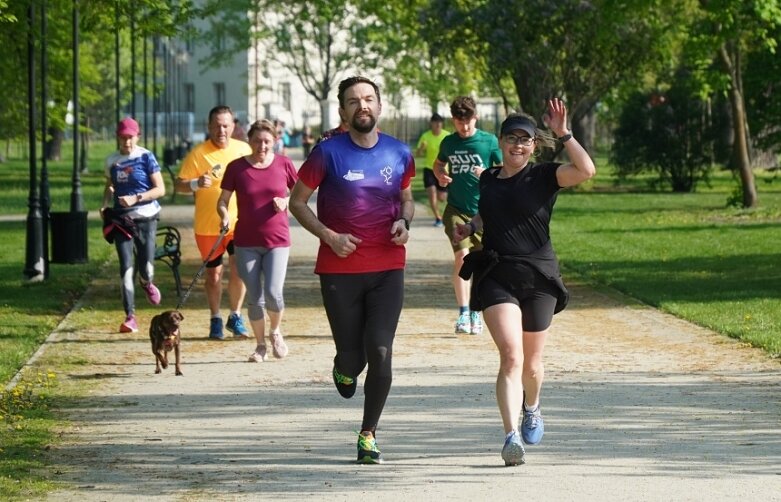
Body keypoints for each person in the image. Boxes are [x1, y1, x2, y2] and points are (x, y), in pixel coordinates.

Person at [453, 100, 596, 466]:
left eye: (525, 139)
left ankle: (532, 407)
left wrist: (564, 133)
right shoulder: (487, 178)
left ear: (534, 145)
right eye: (512, 138)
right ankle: (510, 435)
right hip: (498, 274)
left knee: (532, 365)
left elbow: (587, 170)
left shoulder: (544, 176)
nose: (518, 144)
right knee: (511, 357)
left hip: (539, 278)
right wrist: (472, 227)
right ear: (500, 142)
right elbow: (490, 211)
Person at [289, 76, 415, 465]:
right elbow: (297, 202)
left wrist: (405, 224)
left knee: (379, 349)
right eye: (353, 101)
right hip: (339, 269)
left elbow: (406, 199)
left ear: (379, 106)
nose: (362, 105)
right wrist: (329, 236)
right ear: (343, 111)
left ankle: (368, 434)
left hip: (387, 267)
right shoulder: (327, 154)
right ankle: (343, 369)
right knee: (352, 357)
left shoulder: (399, 152)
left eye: (368, 99)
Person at [218, 119, 298, 363]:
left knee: (273, 293)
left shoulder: (284, 164)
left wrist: (286, 202)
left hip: (277, 240)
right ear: (249, 141)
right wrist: (223, 217)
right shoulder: (236, 168)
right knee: (255, 296)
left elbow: (300, 195)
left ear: (274, 142)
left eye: (267, 141)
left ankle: (275, 331)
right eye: (257, 141)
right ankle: (260, 345)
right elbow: (222, 201)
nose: (262, 146)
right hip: (245, 241)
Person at [176, 106, 252, 340]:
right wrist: (195, 184)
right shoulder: (198, 154)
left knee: (239, 271)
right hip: (209, 227)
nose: (221, 130)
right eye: (217, 125)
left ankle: (236, 316)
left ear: (233, 127)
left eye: (226, 125)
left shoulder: (244, 150)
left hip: (239, 223)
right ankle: (215, 318)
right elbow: (178, 186)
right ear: (209, 127)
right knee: (214, 276)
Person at [433, 96, 502, 336]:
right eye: (459, 123)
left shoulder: (489, 141)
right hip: (456, 209)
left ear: (476, 118)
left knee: (480, 263)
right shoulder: (449, 142)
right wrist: (441, 175)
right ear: (453, 120)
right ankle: (463, 312)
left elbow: (505, 172)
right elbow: (438, 164)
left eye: (468, 122)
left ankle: (475, 311)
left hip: (484, 212)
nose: (463, 127)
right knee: (462, 257)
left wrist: (487, 173)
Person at [101, 117, 165, 333]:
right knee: (126, 267)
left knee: (146, 266)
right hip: (121, 220)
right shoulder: (111, 161)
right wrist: (104, 205)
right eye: (122, 138)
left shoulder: (146, 157)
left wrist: (136, 198)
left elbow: (160, 190)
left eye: (130, 137)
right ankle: (130, 316)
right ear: (117, 138)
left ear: (137, 136)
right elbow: (109, 187)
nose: (126, 142)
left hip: (146, 217)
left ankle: (146, 283)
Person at [415, 113, 450, 227]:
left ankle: (443, 214)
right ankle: (438, 217)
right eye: (435, 122)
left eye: (440, 122)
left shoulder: (447, 136)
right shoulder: (426, 136)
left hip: (443, 171)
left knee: (442, 197)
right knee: (432, 194)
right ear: (431, 123)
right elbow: (418, 154)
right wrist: (421, 148)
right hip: (429, 169)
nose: (438, 125)